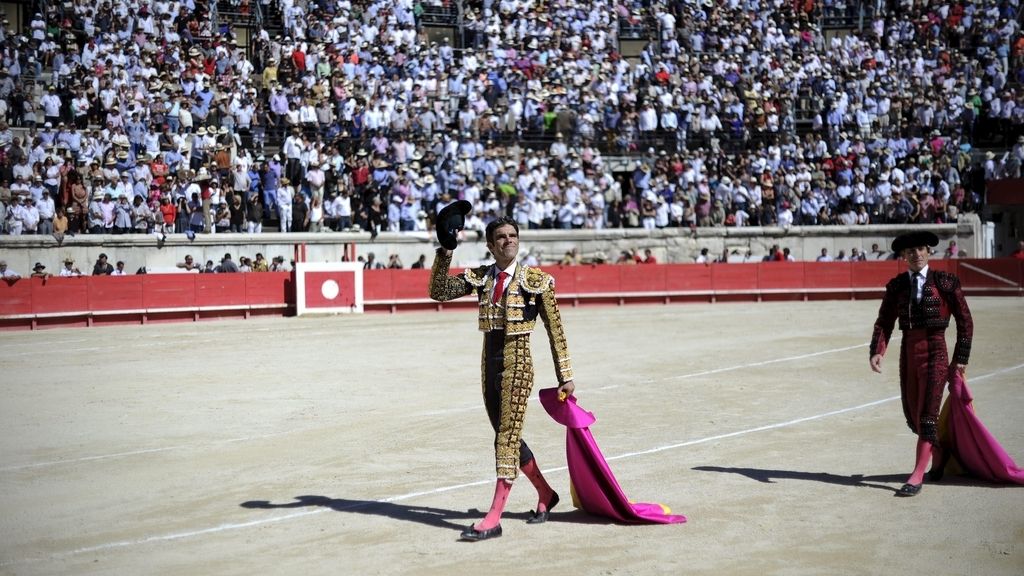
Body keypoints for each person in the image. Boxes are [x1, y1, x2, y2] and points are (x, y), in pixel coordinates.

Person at [429, 215, 575, 542]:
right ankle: (546, 493)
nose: (508, 240)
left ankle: (493, 517)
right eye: (501, 237)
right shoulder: (482, 277)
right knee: (505, 433)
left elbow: (556, 330)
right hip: (489, 361)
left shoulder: (537, 281)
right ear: (490, 245)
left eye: (512, 235)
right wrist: (446, 250)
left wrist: (565, 375)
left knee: (506, 438)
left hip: (518, 361)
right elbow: (438, 291)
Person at [869, 231, 972, 497]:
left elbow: (965, 321)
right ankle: (939, 454)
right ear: (904, 256)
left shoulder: (945, 282)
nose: (916, 254)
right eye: (910, 251)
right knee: (914, 415)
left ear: (928, 251)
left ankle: (916, 476)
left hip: (936, 352)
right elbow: (884, 322)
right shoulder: (897, 286)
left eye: (920, 249)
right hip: (908, 353)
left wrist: (960, 358)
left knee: (927, 415)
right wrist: (878, 351)